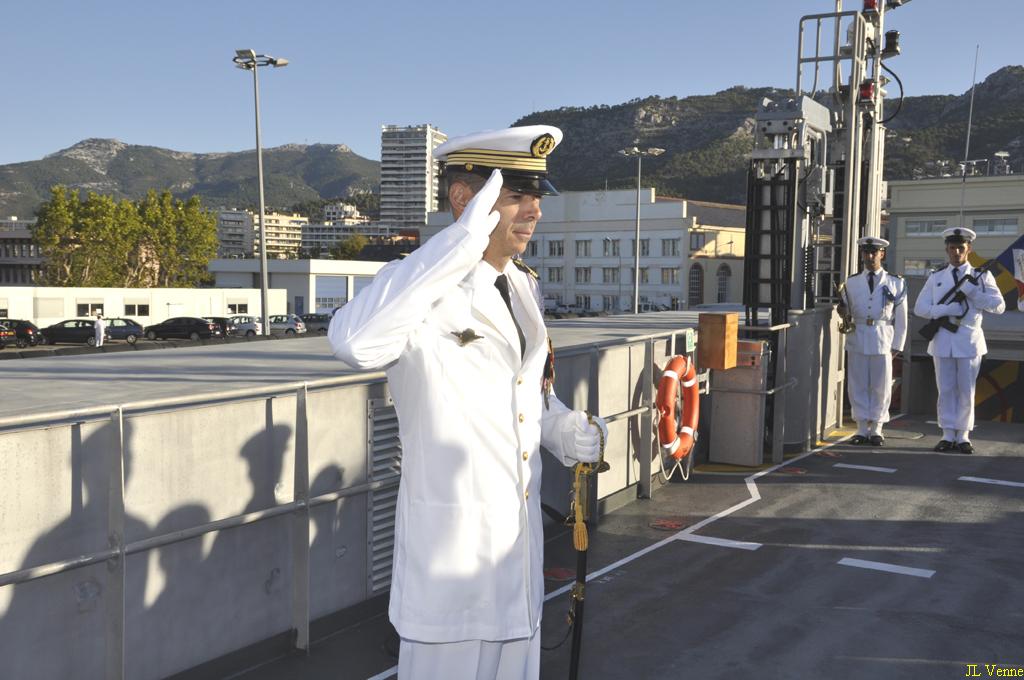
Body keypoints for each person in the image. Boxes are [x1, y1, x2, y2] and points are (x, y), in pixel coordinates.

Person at [328, 125, 608, 680]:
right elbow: (353, 343)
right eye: (516, 196)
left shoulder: (522, 286)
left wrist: (560, 430)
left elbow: (523, 394)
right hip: (451, 566)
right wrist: (459, 243)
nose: (534, 211)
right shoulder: (417, 289)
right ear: (465, 199)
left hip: (516, 562)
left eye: (537, 197)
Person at [913, 227, 1005, 453]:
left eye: (960, 248)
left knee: (966, 390)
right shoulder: (936, 276)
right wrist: (944, 310)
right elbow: (920, 308)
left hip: (968, 339)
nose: (956, 252)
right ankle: (947, 434)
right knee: (945, 389)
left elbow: (999, 306)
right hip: (942, 338)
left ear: (969, 249)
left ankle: (963, 435)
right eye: (952, 248)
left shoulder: (981, 276)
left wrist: (974, 293)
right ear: (946, 249)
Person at [839, 236, 907, 446]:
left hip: (882, 337)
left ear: (882, 254)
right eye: (866, 252)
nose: (870, 256)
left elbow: (902, 317)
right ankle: (861, 428)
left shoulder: (896, 282)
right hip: (858, 336)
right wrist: (842, 312)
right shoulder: (851, 282)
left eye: (874, 252)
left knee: (881, 386)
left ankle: (877, 428)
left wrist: (898, 344)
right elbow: (847, 311)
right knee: (857, 384)